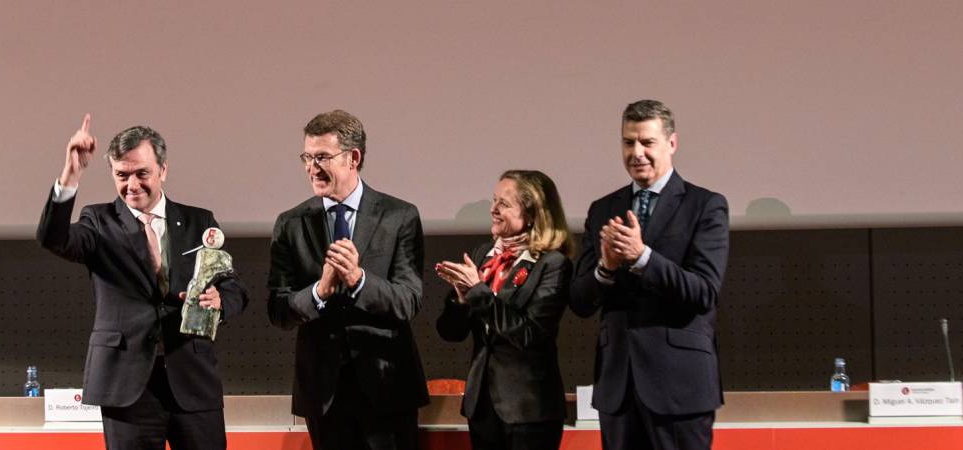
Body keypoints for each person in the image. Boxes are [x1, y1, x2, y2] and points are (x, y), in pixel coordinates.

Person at [36, 115, 250, 450]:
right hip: (127, 385)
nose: (131, 185)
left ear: (163, 170)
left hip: (192, 379)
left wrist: (220, 303)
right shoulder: (98, 221)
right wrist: (71, 174)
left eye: (142, 173)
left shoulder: (199, 222)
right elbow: (53, 238)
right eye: (121, 175)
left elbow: (233, 286)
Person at [569, 100, 730, 450]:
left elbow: (704, 292)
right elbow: (580, 302)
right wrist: (606, 267)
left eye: (647, 142)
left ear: (671, 144)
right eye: (628, 142)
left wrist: (643, 257)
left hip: (679, 387)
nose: (637, 152)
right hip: (618, 387)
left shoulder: (705, 205)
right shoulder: (603, 209)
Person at [267, 109, 428, 450]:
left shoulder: (399, 216)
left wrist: (358, 279)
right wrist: (318, 292)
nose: (312, 167)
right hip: (323, 393)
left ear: (353, 158)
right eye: (307, 157)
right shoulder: (291, 223)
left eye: (322, 157)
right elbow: (278, 310)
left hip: (388, 387)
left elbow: (409, 300)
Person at [435, 170, 574, 450]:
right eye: (494, 200)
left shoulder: (552, 264)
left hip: (529, 408)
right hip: (482, 405)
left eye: (504, 204)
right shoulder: (483, 256)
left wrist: (478, 293)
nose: (493, 209)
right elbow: (450, 333)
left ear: (533, 213)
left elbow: (529, 335)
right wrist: (461, 301)